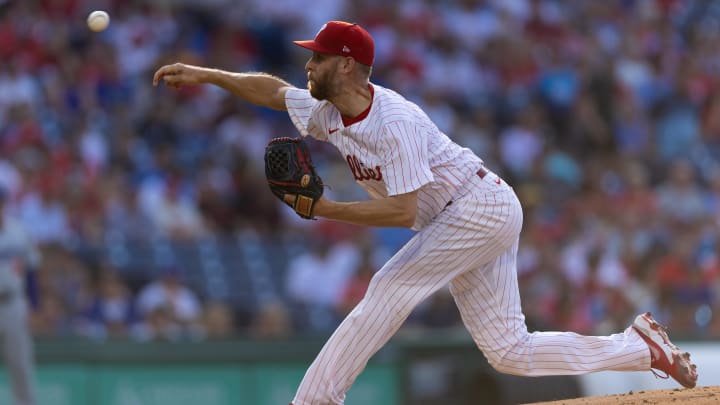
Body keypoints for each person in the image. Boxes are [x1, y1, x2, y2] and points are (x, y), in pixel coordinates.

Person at [153, 20, 698, 405]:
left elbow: (400, 210)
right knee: (509, 352)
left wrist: (323, 209)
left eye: (316, 57)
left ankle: (315, 400)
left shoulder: (395, 123)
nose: (307, 64)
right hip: (460, 218)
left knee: (390, 286)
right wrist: (205, 74)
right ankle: (639, 349)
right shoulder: (325, 109)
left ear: (345, 65)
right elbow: (274, 92)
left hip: (477, 208)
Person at [0, 189, 40, 405]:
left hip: (13, 303)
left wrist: (34, 305)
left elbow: (32, 269)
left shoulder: (18, 231)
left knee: (21, 366)